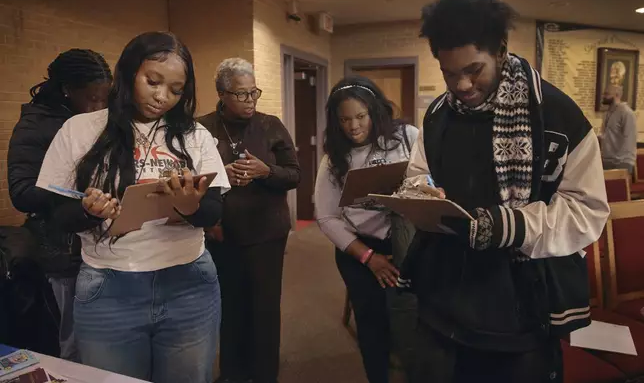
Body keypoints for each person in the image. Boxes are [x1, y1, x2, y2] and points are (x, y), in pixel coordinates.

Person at [398, 0, 609, 382]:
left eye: (474, 69)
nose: (460, 85)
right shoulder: (437, 115)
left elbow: (587, 211)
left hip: (517, 305)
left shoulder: (559, 115)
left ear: (501, 50)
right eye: (448, 72)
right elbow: (418, 173)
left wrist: (511, 225)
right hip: (442, 295)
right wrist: (420, 192)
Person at [35, 31, 229, 383]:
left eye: (175, 89)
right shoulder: (79, 130)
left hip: (189, 283)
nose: (161, 97)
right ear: (127, 73)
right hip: (109, 288)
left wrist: (189, 207)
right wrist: (88, 211)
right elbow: (57, 214)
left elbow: (213, 211)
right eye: (152, 81)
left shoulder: (194, 135)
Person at [199, 58, 300, 383]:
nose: (250, 100)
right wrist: (219, 177)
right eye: (241, 94)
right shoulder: (201, 127)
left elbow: (295, 175)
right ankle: (232, 371)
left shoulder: (270, 125)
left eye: (254, 92)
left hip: (266, 232)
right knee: (229, 305)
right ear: (222, 93)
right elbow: (188, 177)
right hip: (221, 232)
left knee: (264, 307)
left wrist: (265, 171)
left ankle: (263, 373)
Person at [8, 49, 112, 361]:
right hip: (62, 251)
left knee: (107, 340)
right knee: (75, 345)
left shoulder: (100, 120)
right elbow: (21, 191)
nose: (98, 107)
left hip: (103, 246)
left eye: (104, 98)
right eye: (91, 98)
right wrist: (71, 188)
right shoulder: (36, 125)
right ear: (67, 89)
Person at [314, 76, 419, 383]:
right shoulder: (334, 157)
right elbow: (326, 218)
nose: (354, 127)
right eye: (345, 120)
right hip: (359, 249)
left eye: (360, 117)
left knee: (413, 322)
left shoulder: (407, 137)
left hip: (408, 242)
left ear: (375, 112)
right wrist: (369, 259)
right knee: (372, 326)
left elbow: (432, 177)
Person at [599, 85, 637, 174]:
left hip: (621, 162)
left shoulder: (626, 113)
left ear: (617, 95)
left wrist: (621, 161)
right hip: (607, 159)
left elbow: (629, 139)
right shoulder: (607, 113)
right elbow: (607, 135)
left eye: (607, 94)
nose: (603, 96)